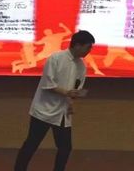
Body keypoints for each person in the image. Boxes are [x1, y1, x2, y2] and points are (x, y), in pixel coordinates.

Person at [14, 30, 96, 171]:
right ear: (77, 45)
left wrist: (72, 100)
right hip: (44, 110)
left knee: (65, 148)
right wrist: (67, 92)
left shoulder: (81, 65)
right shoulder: (56, 58)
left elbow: (75, 87)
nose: (89, 51)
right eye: (88, 47)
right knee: (32, 144)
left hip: (63, 113)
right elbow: (48, 84)